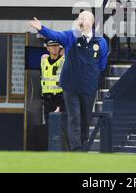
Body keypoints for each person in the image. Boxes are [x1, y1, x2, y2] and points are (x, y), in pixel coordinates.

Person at [30, 11, 109, 151]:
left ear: (92, 22)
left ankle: (82, 147)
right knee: (74, 118)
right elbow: (56, 35)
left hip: (88, 87)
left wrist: (90, 74)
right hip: (70, 86)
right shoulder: (72, 36)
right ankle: (76, 150)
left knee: (85, 120)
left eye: (84, 18)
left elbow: (102, 65)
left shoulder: (101, 41)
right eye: (79, 18)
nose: (81, 21)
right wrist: (42, 28)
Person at [41, 39, 66, 125]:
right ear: (48, 48)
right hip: (47, 99)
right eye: (52, 46)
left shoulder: (64, 60)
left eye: (57, 46)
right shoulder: (43, 60)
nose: (55, 48)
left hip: (60, 98)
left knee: (60, 126)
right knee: (48, 126)